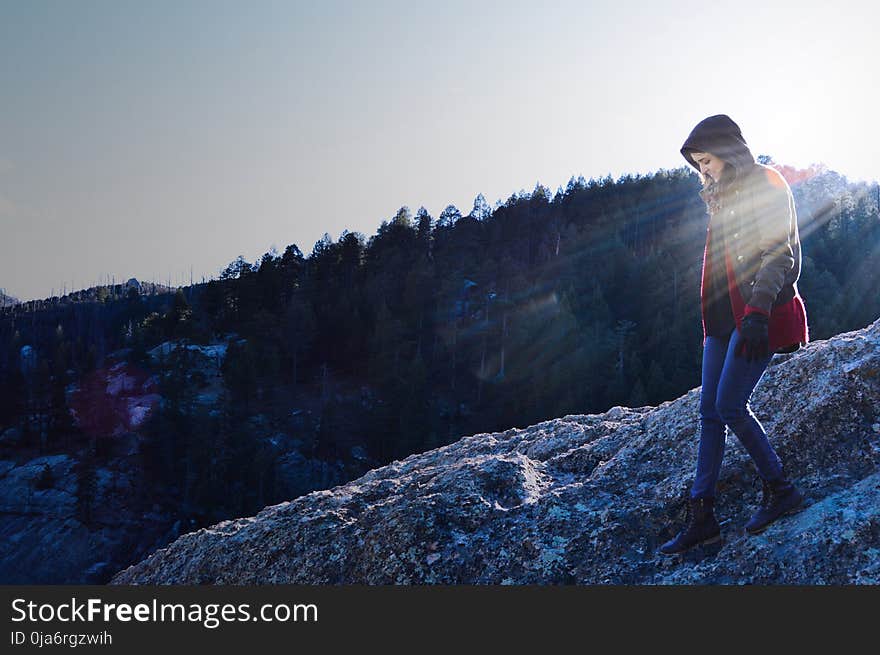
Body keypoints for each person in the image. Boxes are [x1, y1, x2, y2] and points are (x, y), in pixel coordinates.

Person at [659, 114, 810, 556]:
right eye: (698, 165)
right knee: (709, 413)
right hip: (721, 321)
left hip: (758, 315)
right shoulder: (720, 195)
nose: (703, 171)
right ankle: (702, 518)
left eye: (707, 161)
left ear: (726, 151)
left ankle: (781, 489)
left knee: (729, 406)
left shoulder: (767, 181)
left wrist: (759, 311)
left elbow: (779, 252)